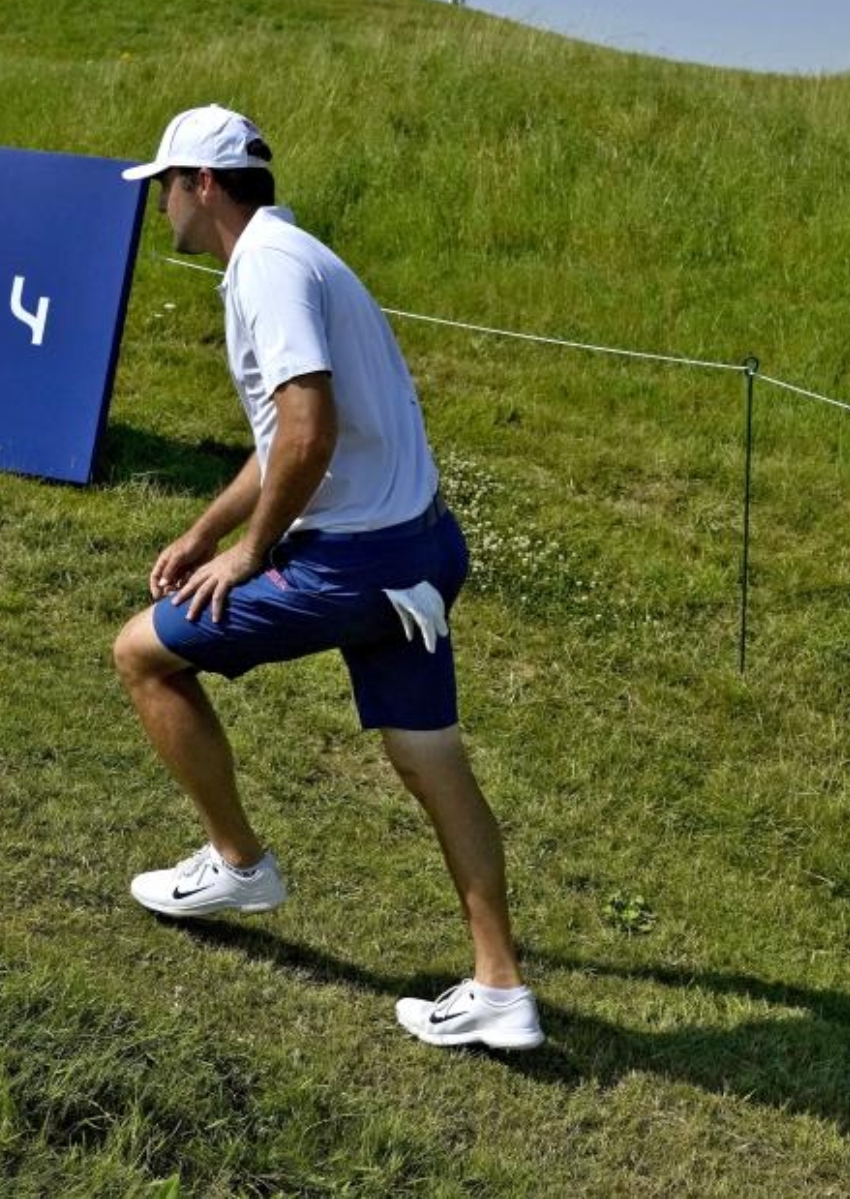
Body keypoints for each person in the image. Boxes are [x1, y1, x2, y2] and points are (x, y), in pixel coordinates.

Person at [111, 105, 544, 1052]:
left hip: (356, 566)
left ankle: (239, 864)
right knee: (432, 760)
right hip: (421, 551)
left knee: (143, 653)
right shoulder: (290, 251)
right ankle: (502, 992)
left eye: (166, 188)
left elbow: (308, 429)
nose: (160, 209)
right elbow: (287, 444)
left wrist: (249, 554)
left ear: (205, 186)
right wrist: (203, 530)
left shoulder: (263, 269)